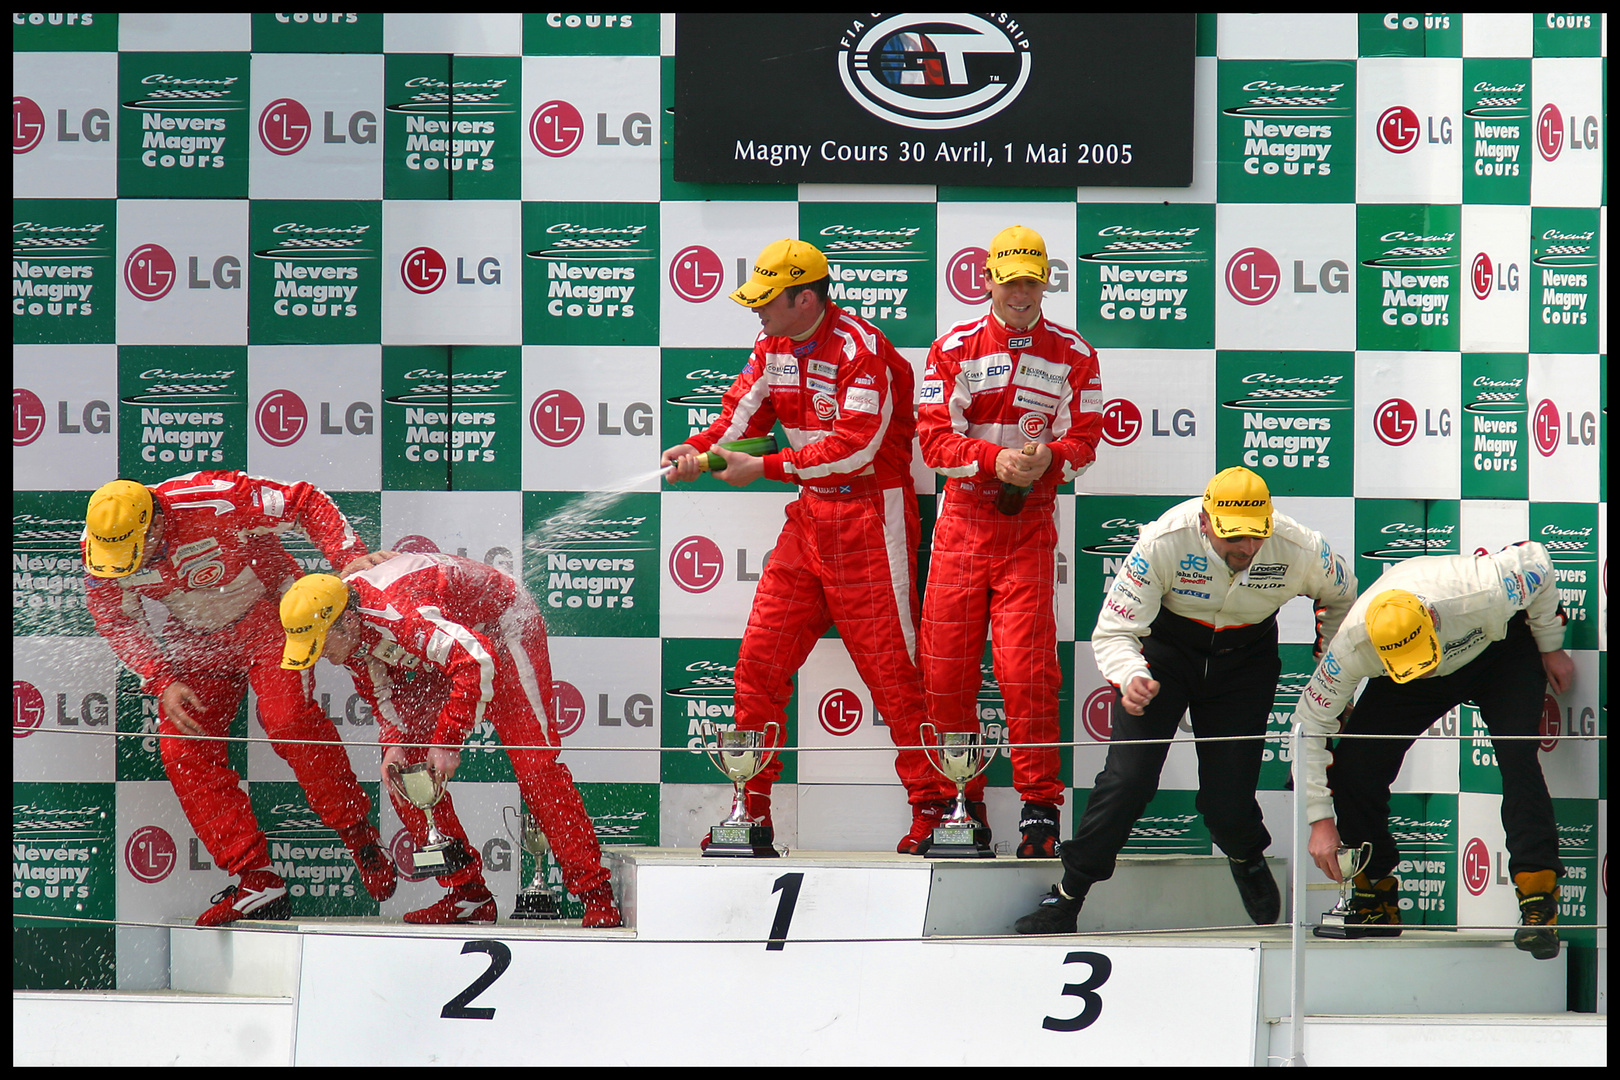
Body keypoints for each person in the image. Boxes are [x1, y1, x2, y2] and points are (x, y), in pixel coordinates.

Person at [661, 238, 959, 853]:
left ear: (806, 297)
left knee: (896, 677)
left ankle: (936, 812)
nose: (757, 311)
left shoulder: (861, 348)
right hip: (808, 523)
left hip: (872, 520)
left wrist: (765, 468)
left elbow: (856, 448)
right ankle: (752, 813)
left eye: (767, 300)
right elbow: (737, 423)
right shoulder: (772, 345)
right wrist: (699, 448)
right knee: (757, 665)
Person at [1015, 466, 1357, 932]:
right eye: (1234, 537)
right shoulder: (1164, 540)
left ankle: (1245, 852)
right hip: (1166, 655)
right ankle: (1068, 894)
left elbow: (1343, 596)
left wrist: (1330, 667)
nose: (1247, 549)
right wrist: (1131, 675)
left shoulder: (1299, 546)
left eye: (1256, 537)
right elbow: (1114, 630)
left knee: (1227, 801)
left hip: (1245, 660)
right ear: (1205, 521)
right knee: (1128, 781)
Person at [81, 472, 396, 926]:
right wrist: (160, 678)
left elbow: (304, 501)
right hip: (196, 639)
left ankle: (357, 832)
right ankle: (256, 879)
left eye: (133, 554)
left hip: (270, 614)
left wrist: (347, 558)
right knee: (181, 746)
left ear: (154, 526)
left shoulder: (212, 497)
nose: (123, 566)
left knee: (287, 721)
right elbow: (116, 622)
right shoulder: (98, 547)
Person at [279, 553, 622, 927]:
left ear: (345, 620)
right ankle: (469, 895)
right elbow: (379, 688)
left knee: (536, 768)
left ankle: (596, 894)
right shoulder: (349, 626)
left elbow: (477, 661)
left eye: (322, 646)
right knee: (402, 773)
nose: (323, 659)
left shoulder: (398, 613)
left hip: (502, 631)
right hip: (453, 647)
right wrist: (394, 740)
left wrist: (446, 743)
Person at [916, 224, 1104, 857]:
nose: (1021, 292)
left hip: (1028, 525)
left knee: (1027, 675)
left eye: (1033, 280)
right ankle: (953, 805)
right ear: (988, 279)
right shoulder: (951, 348)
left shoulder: (1074, 353)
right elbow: (935, 442)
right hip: (964, 523)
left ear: (1045, 283)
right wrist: (994, 461)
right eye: (1010, 279)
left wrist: (1046, 459)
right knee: (946, 672)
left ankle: (1039, 810)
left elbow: (1087, 440)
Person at [1297, 541, 1572, 958]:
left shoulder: (1481, 590)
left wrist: (1551, 643)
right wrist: (1320, 820)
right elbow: (1308, 725)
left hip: (1496, 653)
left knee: (1518, 757)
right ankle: (1375, 897)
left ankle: (1538, 899)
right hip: (1410, 676)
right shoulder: (1353, 645)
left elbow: (1537, 561)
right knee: (1356, 765)